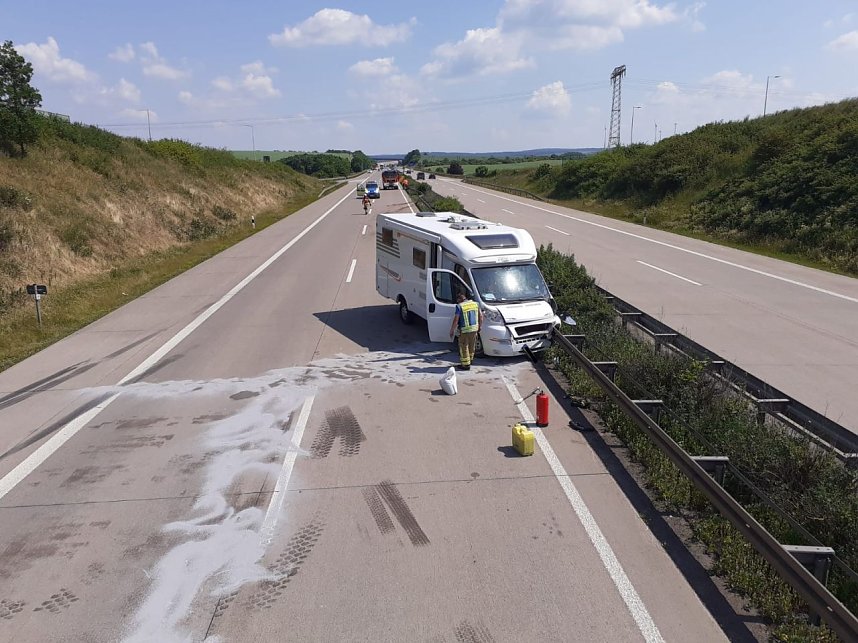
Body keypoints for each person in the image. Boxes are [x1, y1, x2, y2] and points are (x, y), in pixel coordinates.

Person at [449, 291, 484, 370]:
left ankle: (465, 365)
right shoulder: (475, 304)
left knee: (464, 346)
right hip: (474, 329)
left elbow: (456, 320)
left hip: (465, 330)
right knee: (472, 345)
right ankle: (470, 360)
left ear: (459, 299)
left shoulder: (459, 306)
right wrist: (480, 326)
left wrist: (452, 330)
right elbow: (481, 316)